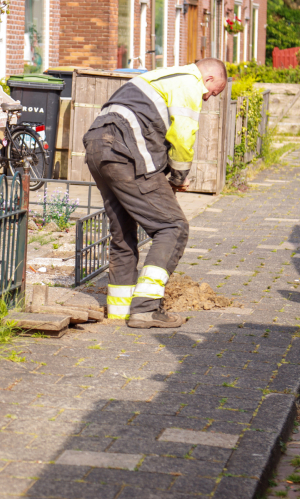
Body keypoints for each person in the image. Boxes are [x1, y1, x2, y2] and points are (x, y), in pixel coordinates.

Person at [82, 59, 228, 329]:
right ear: (208, 79)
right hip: (123, 148)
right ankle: (147, 309)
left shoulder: (161, 76)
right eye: (213, 92)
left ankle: (119, 309)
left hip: (96, 145)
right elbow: (183, 136)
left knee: (123, 232)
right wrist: (179, 175)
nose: (209, 98)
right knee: (173, 227)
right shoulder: (190, 83)